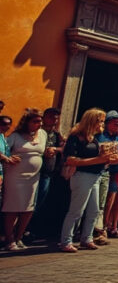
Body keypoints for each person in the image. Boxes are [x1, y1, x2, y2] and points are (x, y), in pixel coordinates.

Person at [59, 108, 114, 252]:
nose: (102, 124)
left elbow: (98, 159)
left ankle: (87, 238)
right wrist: (98, 160)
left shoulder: (94, 138)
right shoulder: (76, 137)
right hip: (82, 176)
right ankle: (66, 241)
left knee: (94, 210)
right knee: (76, 211)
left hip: (95, 176)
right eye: (100, 121)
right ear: (92, 121)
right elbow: (70, 159)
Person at [1, 109, 46, 250]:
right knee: (12, 208)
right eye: (35, 121)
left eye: (40, 121)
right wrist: (9, 158)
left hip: (33, 178)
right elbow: (4, 150)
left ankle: (19, 237)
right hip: (15, 177)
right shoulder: (16, 136)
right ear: (27, 122)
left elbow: (44, 150)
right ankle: (10, 239)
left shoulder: (43, 134)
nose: (39, 124)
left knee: (28, 208)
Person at [28, 107, 64, 241]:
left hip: (48, 172)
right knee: (30, 202)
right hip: (34, 172)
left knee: (40, 202)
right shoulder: (37, 132)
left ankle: (32, 229)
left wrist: (56, 149)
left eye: (56, 118)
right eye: (51, 117)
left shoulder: (56, 134)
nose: (54, 120)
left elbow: (63, 146)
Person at [97, 111, 118, 241]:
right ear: (108, 123)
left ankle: (113, 226)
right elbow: (111, 156)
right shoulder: (100, 136)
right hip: (105, 172)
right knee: (105, 201)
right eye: (116, 124)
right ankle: (102, 228)